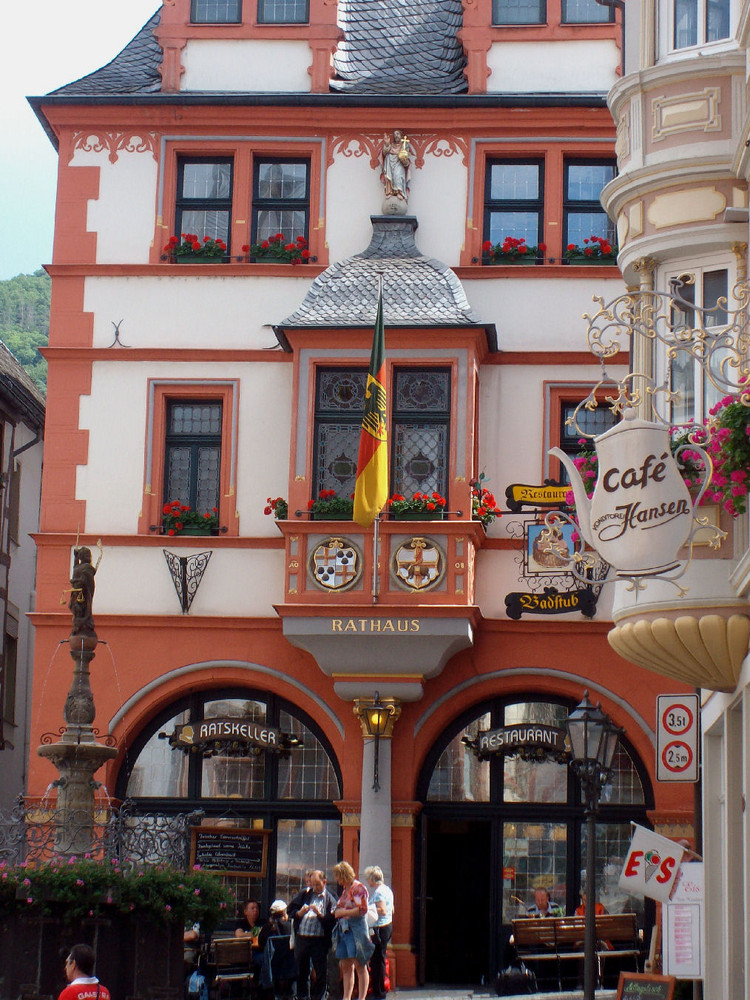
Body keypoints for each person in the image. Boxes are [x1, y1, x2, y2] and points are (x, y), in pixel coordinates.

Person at [288, 870, 338, 1000]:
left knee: (321, 971)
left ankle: (319, 996)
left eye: (317, 884)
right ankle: (302, 997)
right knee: (301, 971)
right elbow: (290, 911)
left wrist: (320, 915)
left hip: (319, 940)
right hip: (302, 938)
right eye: (312, 884)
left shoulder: (330, 897)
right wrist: (299, 913)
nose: (314, 888)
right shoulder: (305, 894)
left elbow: (332, 920)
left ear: (324, 882)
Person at [332, 861, 374, 1000]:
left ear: (343, 875)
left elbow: (362, 909)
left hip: (355, 929)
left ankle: (361, 998)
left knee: (360, 964)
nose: (336, 880)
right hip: (344, 930)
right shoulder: (346, 889)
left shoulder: (357, 888)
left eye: (337, 877)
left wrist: (342, 911)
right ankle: (346, 997)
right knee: (346, 965)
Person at [364, 866, 393, 1000]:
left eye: (368, 878)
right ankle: (377, 989)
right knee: (377, 958)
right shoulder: (387, 889)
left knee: (378, 959)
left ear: (372, 879)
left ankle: (379, 991)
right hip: (386, 926)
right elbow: (392, 909)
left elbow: (383, 909)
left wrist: (369, 908)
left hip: (380, 928)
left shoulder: (379, 892)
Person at [379, 130, 412, 201]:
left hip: (399, 163)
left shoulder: (404, 145)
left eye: (397, 134)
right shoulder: (391, 145)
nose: (396, 135)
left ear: (401, 135)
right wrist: (387, 144)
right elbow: (384, 152)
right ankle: (389, 192)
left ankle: (400, 192)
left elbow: (406, 160)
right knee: (389, 177)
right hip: (389, 163)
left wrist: (404, 160)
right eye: (394, 134)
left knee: (398, 176)